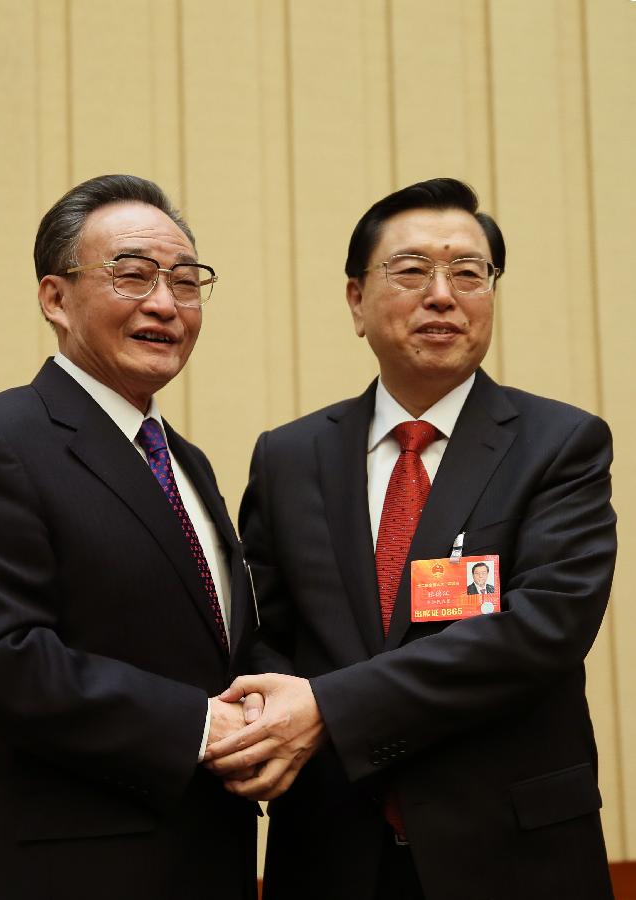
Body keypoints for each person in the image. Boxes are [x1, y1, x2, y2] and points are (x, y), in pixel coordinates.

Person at [204, 178, 616, 899]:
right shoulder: (289, 456)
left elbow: (542, 629)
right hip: (332, 848)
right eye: (412, 270)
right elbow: (262, 631)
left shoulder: (561, 444)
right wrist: (274, 709)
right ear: (356, 301)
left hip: (510, 851)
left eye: (468, 273)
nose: (442, 295)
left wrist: (329, 709)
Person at [0, 175, 259, 900]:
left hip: (215, 864)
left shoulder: (185, 461)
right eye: (132, 275)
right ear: (55, 297)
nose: (165, 304)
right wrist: (198, 726)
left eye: (185, 281)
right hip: (81, 869)